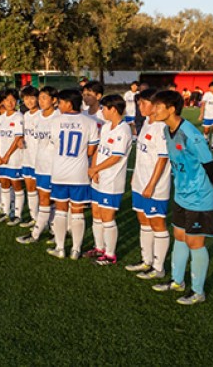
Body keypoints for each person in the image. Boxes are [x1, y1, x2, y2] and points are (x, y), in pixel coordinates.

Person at [151, 90, 213, 305]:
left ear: (172, 109)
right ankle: (177, 281)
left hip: (200, 197)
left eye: (158, 106)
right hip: (182, 195)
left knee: (195, 242)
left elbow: (210, 166)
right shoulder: (167, 130)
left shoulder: (191, 135)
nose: (154, 110)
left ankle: (198, 291)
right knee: (180, 237)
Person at [46, 89, 100, 261]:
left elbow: (55, 143)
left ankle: (60, 248)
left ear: (69, 103)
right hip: (80, 173)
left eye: (61, 102)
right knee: (77, 212)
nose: (58, 105)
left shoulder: (56, 121)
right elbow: (91, 150)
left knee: (61, 211)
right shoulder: (90, 122)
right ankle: (76, 250)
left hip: (59, 172)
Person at [125, 88, 172, 280]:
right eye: (138, 103)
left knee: (157, 223)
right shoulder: (145, 122)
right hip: (140, 182)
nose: (140, 106)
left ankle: (159, 267)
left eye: (144, 103)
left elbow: (162, 159)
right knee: (143, 221)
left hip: (155, 186)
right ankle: (146, 261)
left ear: (156, 105)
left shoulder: (162, 127)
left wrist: (151, 185)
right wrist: (136, 176)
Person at [84, 94, 133, 265]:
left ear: (113, 109)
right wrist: (94, 170)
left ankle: (110, 254)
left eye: (104, 108)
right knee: (96, 213)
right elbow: (99, 149)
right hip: (99, 177)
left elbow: (115, 157)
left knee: (107, 217)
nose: (102, 111)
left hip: (112, 181)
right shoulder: (106, 127)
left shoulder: (124, 130)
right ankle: (99, 248)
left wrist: (95, 168)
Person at [16, 86, 60, 245]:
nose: (38, 102)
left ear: (54, 100)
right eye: (39, 98)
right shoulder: (34, 116)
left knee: (51, 200)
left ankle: (45, 232)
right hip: (36, 162)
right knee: (42, 198)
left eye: (42, 98)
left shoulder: (59, 117)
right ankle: (45, 227)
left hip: (52, 165)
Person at [0, 89, 25, 225]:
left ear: (17, 101)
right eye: (7, 100)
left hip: (14, 158)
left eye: (13, 100)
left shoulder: (19, 117)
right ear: (3, 102)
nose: (10, 103)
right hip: (1, 158)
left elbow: (18, 137)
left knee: (16, 185)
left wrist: (6, 155)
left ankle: (17, 214)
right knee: (4, 184)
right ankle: (5, 211)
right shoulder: (1, 117)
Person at [19, 86, 41, 227]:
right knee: (30, 189)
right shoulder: (25, 116)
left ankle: (47, 221)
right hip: (27, 157)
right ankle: (35, 218)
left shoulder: (44, 115)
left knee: (44, 193)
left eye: (32, 97)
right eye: (26, 98)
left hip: (41, 160)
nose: (29, 101)